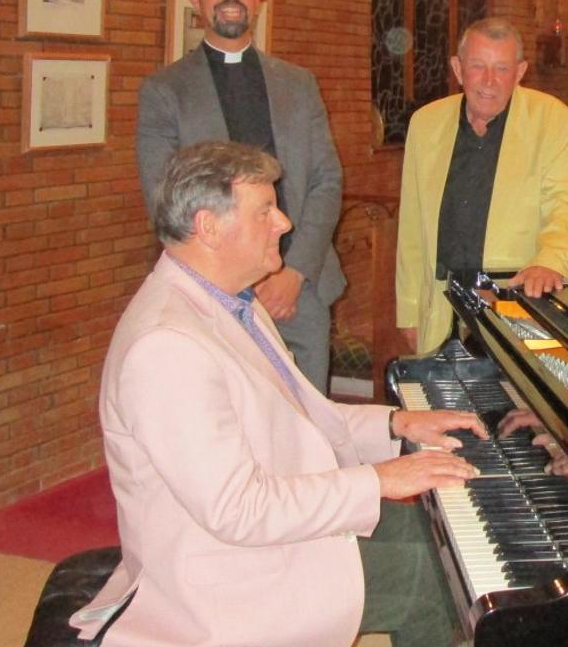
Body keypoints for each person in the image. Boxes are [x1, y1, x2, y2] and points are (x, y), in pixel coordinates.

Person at [72, 141, 484, 646]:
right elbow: (238, 510)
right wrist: (378, 480)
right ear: (208, 227)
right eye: (265, 210)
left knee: (439, 533)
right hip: (224, 580)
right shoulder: (166, 347)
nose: (285, 223)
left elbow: (302, 416)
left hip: (264, 539)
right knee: (436, 579)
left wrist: (397, 424)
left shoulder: (230, 303)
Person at [136, 0, 343, 393]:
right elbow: (166, 205)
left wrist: (293, 272)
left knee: (310, 419)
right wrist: (236, 281)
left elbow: (326, 181)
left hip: (299, 290)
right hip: (211, 297)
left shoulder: (298, 84)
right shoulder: (165, 92)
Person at [396, 17, 568, 354]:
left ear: (520, 72)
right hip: (440, 308)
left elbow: (566, 202)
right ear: (458, 69)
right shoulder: (425, 124)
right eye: (478, 66)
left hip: (518, 305)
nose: (489, 81)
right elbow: (411, 226)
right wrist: (409, 310)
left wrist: (550, 261)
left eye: (502, 68)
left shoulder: (554, 120)